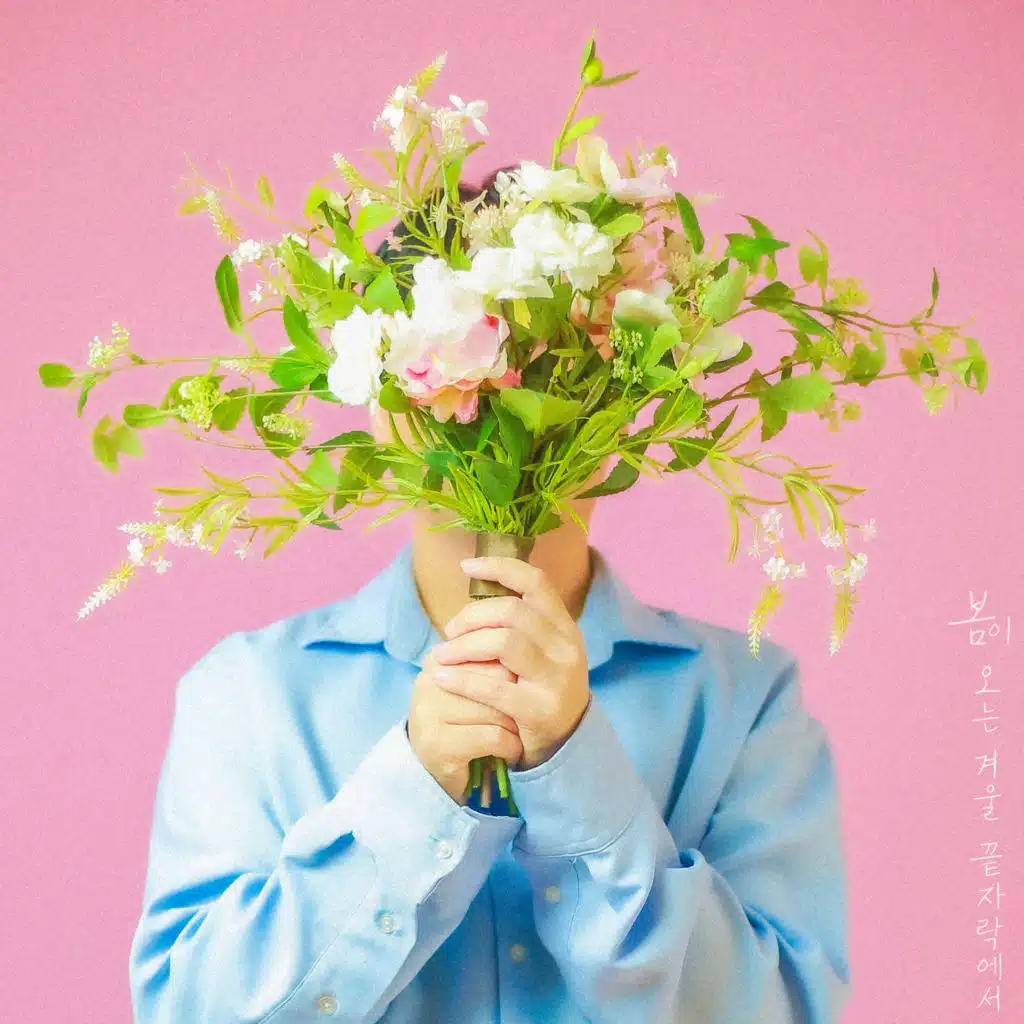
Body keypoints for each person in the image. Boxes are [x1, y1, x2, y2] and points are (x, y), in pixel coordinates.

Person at [128, 169, 853, 1023]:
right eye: (448, 361)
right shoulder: (248, 695)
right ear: (378, 395)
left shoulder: (744, 701)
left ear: (632, 402)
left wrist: (579, 774)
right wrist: (412, 792)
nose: (497, 406)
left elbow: (780, 1011)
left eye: (558, 370)